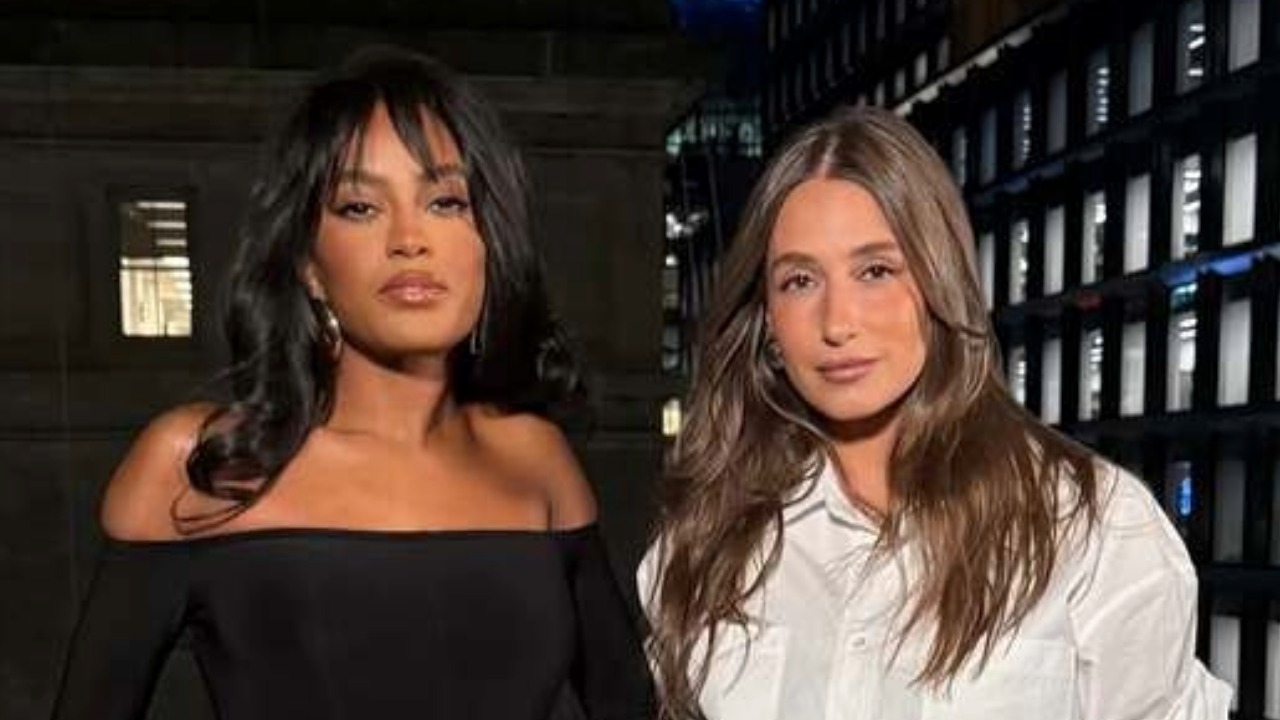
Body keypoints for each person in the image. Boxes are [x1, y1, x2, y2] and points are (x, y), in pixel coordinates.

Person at [52, 46, 653, 720]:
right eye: (361, 207)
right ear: (308, 265)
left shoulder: (536, 461)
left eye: (446, 202)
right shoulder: (195, 466)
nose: (409, 239)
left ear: (491, 243)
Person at [639, 106, 1232, 720]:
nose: (837, 322)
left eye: (875, 271)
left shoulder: (1090, 527)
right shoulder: (708, 540)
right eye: (799, 281)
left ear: (939, 281)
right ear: (767, 321)